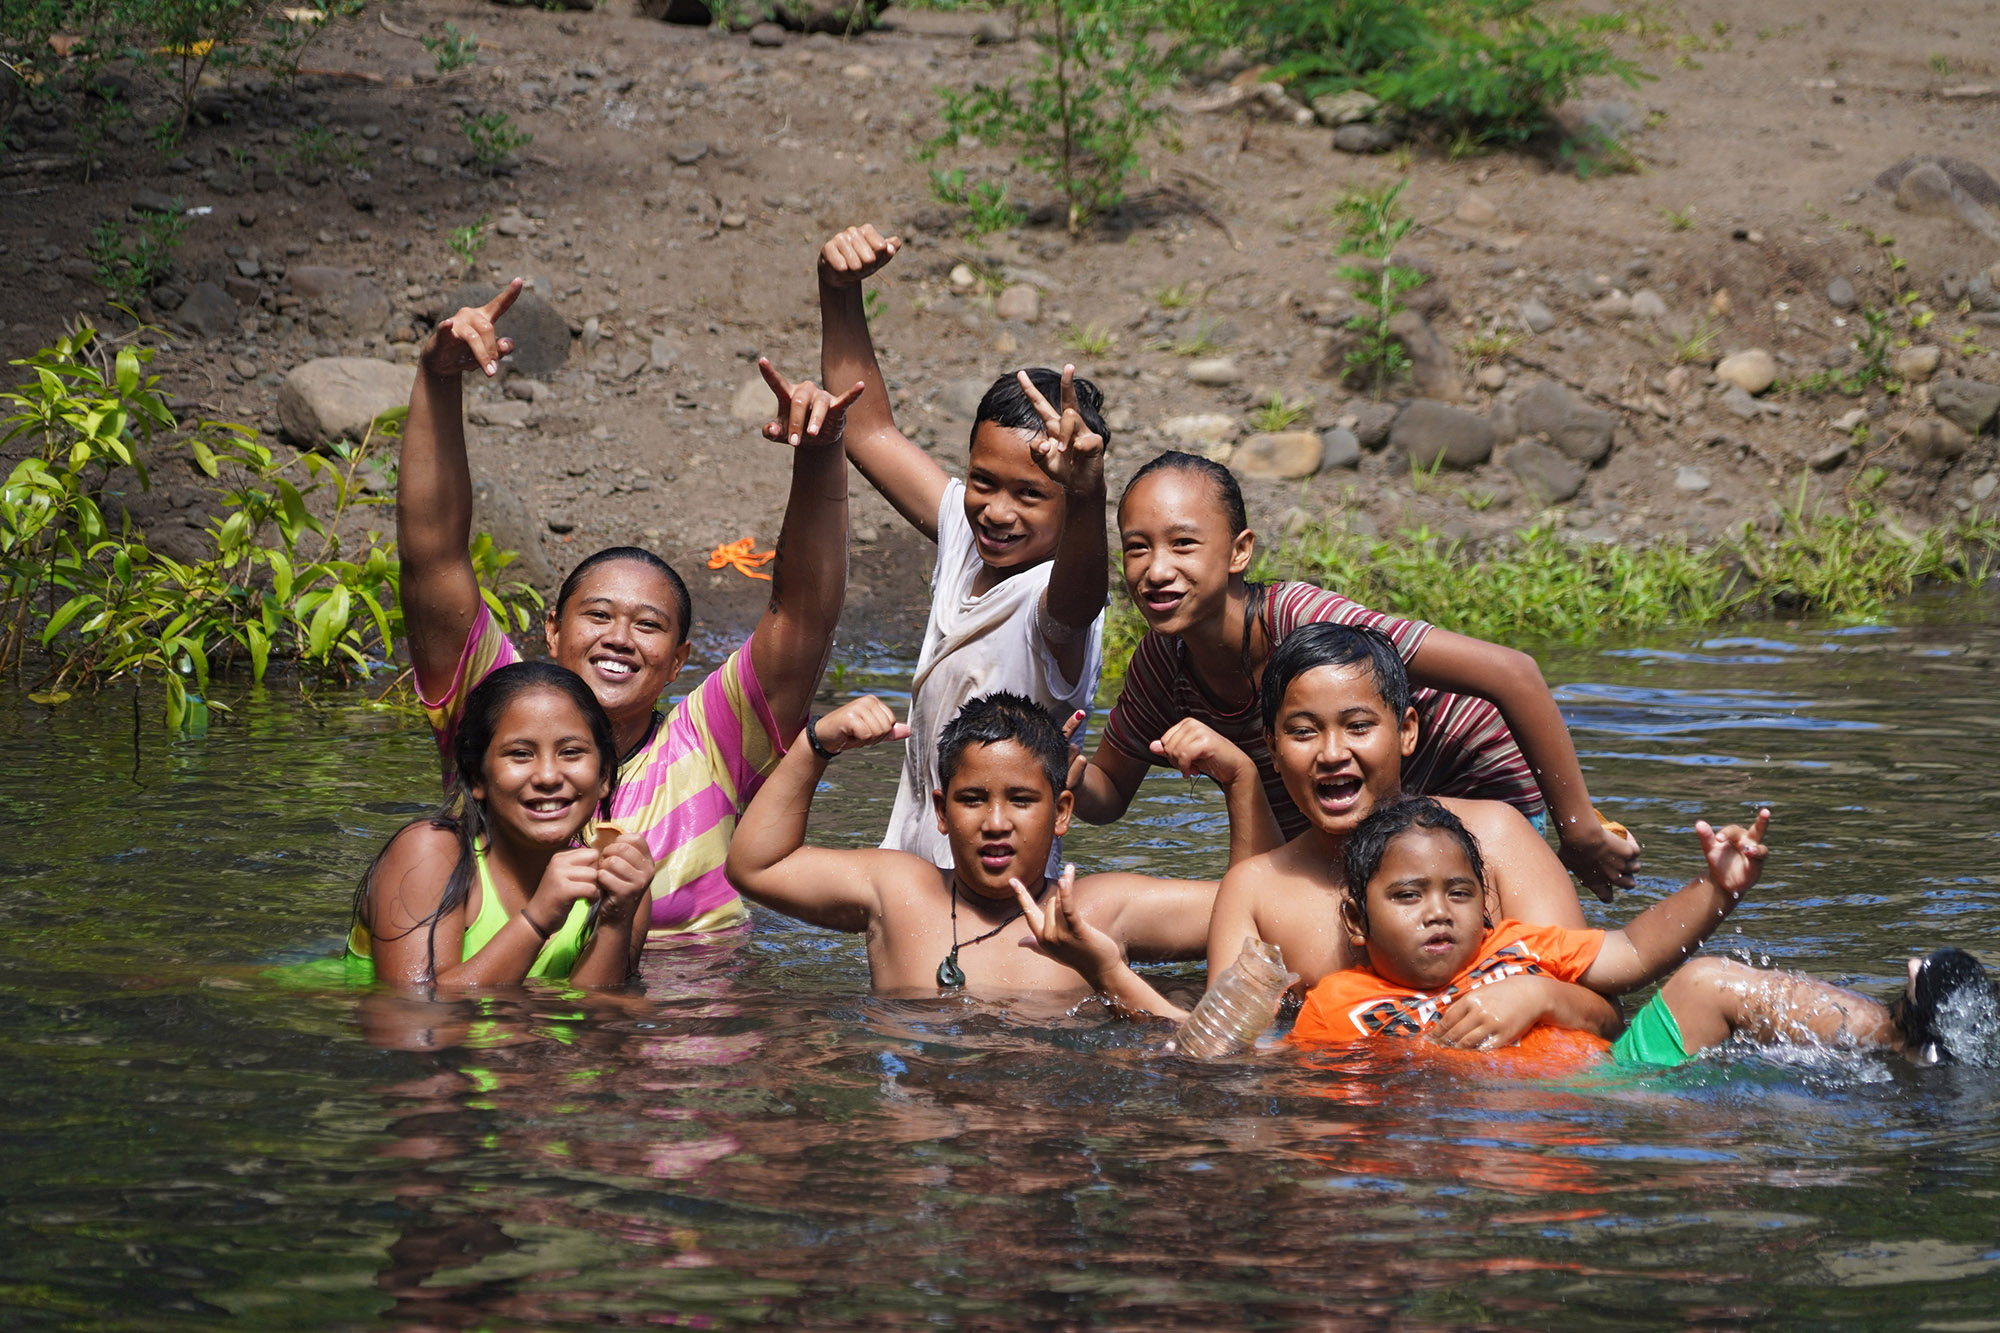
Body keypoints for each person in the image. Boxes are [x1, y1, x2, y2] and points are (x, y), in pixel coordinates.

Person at [399, 279, 860, 937]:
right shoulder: (494, 711)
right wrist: (437, 381)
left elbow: (805, 613)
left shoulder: (710, 744)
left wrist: (820, 453)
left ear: (678, 662)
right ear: (552, 631)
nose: (620, 638)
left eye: (649, 625)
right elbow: (433, 557)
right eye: (597, 615)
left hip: (693, 1024)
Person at [1069, 450, 1640, 901]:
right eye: (1137, 549)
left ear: (1239, 552)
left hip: (1474, 781)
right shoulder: (1160, 665)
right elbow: (1110, 795)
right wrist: (1053, 761)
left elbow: (1513, 672)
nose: (1157, 570)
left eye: (1184, 544)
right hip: (1358, 804)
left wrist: (1580, 827)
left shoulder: (1302, 620)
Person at [1023, 624, 1620, 1043]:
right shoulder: (1257, 891)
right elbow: (1223, 1051)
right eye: (1304, 732)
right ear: (1273, 750)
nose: (1333, 754)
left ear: (1407, 730)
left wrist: (1539, 996)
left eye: (1359, 726)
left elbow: (1606, 1010)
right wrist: (1108, 973)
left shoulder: (1495, 835)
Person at [818, 224, 1109, 870]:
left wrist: (1089, 492)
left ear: (1068, 500)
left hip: (1002, 898)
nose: (997, 512)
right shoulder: (966, 537)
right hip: (915, 877)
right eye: (983, 482)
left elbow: (1084, 592)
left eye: (1031, 496)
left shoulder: (1050, 604)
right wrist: (838, 293)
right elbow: (866, 431)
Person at [724, 693, 1258, 1000]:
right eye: (973, 799)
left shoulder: (1100, 911)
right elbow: (756, 865)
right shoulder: (898, 891)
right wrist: (814, 746)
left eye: (1022, 800)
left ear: (1062, 812)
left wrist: (1240, 779)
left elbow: (1264, 915)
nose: (996, 822)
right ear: (940, 811)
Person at [1290, 796, 1768, 1059]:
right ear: (1357, 920)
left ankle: (1846, 1029)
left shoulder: (1520, 945)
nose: (1438, 911)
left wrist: (1717, 891)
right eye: (1408, 895)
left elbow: (1636, 953)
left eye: (1459, 892)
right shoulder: (1335, 1007)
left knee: (1712, 981)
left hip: (1622, 1083)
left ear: (1484, 904)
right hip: (1479, 1138)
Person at [348, 662, 657, 988]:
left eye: (570, 752)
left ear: (605, 775)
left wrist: (615, 920)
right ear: (477, 775)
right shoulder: (430, 853)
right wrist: (537, 919)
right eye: (521, 754)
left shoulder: (623, 882)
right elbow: (419, 1019)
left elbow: (598, 1023)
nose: (549, 777)